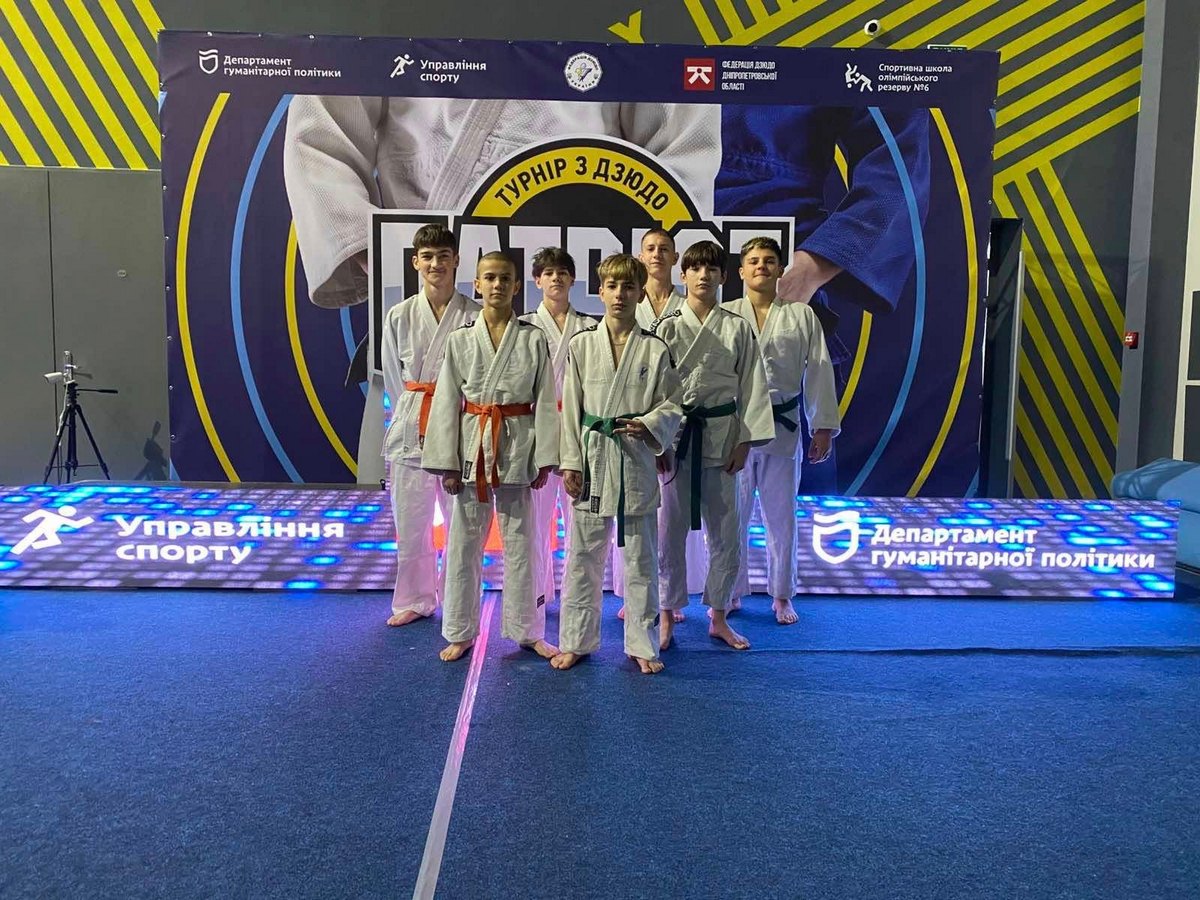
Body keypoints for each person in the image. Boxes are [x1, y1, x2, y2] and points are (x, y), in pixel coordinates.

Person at [283, 96, 721, 484]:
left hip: (590, 301)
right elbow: (320, 126)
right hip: (421, 307)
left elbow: (683, 141)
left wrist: (633, 278)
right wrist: (379, 252)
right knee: (413, 527)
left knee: (573, 526)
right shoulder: (405, 312)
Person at [421, 252, 559, 661]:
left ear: (517, 286)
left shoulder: (533, 338)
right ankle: (459, 630)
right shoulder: (461, 339)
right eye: (490, 278)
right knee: (463, 543)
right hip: (472, 447)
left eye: (505, 278)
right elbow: (447, 402)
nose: (497, 285)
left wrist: (545, 458)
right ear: (476, 285)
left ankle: (528, 630)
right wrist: (447, 463)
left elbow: (545, 401)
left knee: (524, 543)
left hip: (518, 444)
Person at [553, 254, 682, 675]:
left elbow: (672, 404)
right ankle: (576, 641)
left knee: (642, 560)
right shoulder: (581, 345)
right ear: (600, 291)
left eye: (628, 286)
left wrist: (650, 425)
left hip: (635, 457)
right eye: (612, 286)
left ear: (641, 292)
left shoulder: (655, 348)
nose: (620, 294)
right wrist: (570, 463)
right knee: (582, 557)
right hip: (592, 458)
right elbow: (571, 410)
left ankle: (642, 644)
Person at [652, 241, 774, 651]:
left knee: (726, 532)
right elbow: (654, 391)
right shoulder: (666, 328)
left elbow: (753, 386)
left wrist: (746, 440)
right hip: (677, 438)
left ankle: (719, 615)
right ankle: (666, 614)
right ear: (682, 275)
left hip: (723, 438)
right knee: (668, 533)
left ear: (723, 276)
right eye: (695, 268)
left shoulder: (737, 328)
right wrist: (658, 441)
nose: (703, 275)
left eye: (711, 269)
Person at [722, 237, 840, 625]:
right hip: (735, 429)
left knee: (781, 517)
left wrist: (822, 426)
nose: (762, 266)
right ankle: (728, 590)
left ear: (780, 270)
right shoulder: (726, 315)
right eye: (754, 260)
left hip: (783, 427)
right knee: (730, 517)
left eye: (769, 260)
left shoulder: (801, 316)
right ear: (742, 271)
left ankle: (782, 595)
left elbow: (818, 368)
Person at [380, 224, 480, 627]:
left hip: (460, 425)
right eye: (428, 257)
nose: (435, 263)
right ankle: (415, 598)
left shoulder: (474, 315)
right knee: (411, 521)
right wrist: (412, 408)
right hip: (412, 422)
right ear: (415, 262)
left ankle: (458, 601)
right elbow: (393, 378)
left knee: (462, 526)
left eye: (443, 256)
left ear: (456, 260)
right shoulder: (400, 315)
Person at [614, 228, 704, 618]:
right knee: (631, 509)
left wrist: (664, 429)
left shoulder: (688, 305)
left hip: (674, 419)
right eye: (650, 248)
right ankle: (630, 593)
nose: (656, 254)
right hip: (630, 419)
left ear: (675, 258)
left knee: (672, 515)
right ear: (640, 255)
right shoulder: (627, 299)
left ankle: (669, 594)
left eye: (664, 249)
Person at [519, 248, 596, 609]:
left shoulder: (590, 326)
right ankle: (537, 595)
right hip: (536, 429)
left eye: (562, 272)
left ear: (572, 280)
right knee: (535, 522)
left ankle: (576, 598)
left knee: (579, 520)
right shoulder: (522, 326)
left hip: (578, 430)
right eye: (548, 273)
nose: (555, 278)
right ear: (537, 280)